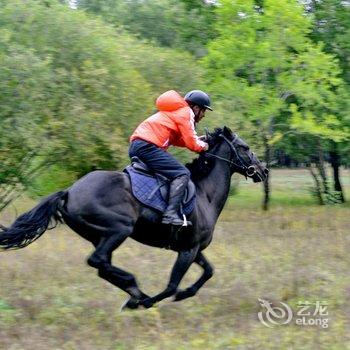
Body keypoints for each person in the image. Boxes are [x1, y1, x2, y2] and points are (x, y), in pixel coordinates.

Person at [128, 89, 212, 226]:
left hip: (137, 146)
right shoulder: (187, 113)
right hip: (148, 147)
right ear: (196, 108)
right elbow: (193, 144)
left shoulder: (176, 112)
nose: (203, 115)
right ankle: (170, 215)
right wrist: (205, 146)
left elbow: (180, 140)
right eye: (204, 111)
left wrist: (198, 140)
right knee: (182, 174)